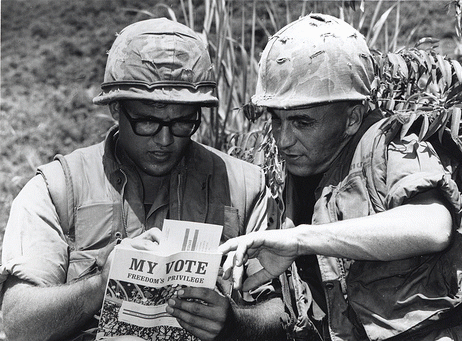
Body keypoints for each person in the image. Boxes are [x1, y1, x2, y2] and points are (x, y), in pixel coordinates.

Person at [0, 18, 287, 341]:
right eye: (147, 122)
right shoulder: (58, 189)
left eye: (182, 123)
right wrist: (99, 285)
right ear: (115, 110)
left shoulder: (243, 187)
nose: (165, 140)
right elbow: (19, 322)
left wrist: (235, 323)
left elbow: (284, 314)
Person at [219, 13, 462, 341]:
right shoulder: (299, 184)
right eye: (277, 120)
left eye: (302, 122)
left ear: (352, 118)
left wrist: (300, 239)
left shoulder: (391, 143)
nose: (283, 139)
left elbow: (433, 226)